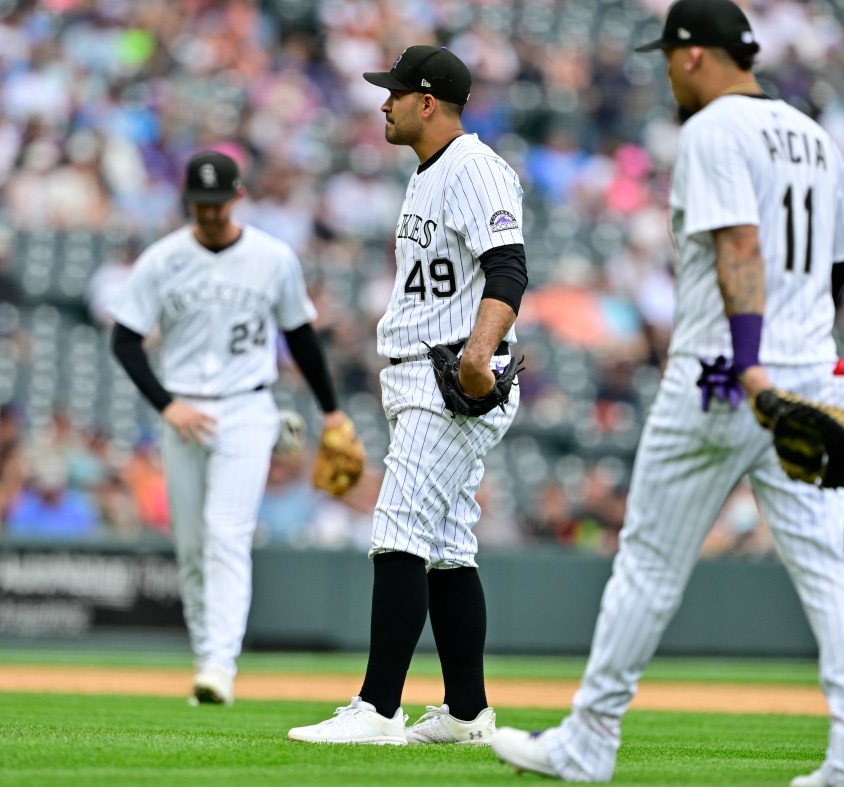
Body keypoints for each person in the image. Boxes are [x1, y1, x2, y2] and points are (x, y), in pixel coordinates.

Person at [492, 2, 844, 786]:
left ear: (698, 56)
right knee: (827, 567)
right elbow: (838, 266)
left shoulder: (712, 127)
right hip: (811, 371)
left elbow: (739, 242)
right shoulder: (815, 137)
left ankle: (590, 739)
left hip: (726, 374)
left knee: (648, 563)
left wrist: (749, 365)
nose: (668, 70)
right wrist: (798, 354)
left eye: (671, 56)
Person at [286, 45, 527, 746]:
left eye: (394, 92)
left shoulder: (475, 169)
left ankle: (378, 707)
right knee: (448, 544)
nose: (383, 102)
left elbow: (509, 269)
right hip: (423, 371)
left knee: (398, 529)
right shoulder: (429, 173)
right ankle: (465, 711)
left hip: (452, 374)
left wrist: (480, 353)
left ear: (428, 101)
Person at [110, 150, 355, 706]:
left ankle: (221, 663)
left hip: (248, 407)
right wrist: (166, 405)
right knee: (192, 547)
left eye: (218, 203)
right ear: (187, 202)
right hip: (185, 411)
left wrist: (332, 410)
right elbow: (124, 340)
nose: (210, 213)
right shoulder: (161, 259)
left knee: (226, 533)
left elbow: (301, 337)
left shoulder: (272, 257)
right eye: (201, 204)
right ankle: (207, 659)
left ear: (238, 197)